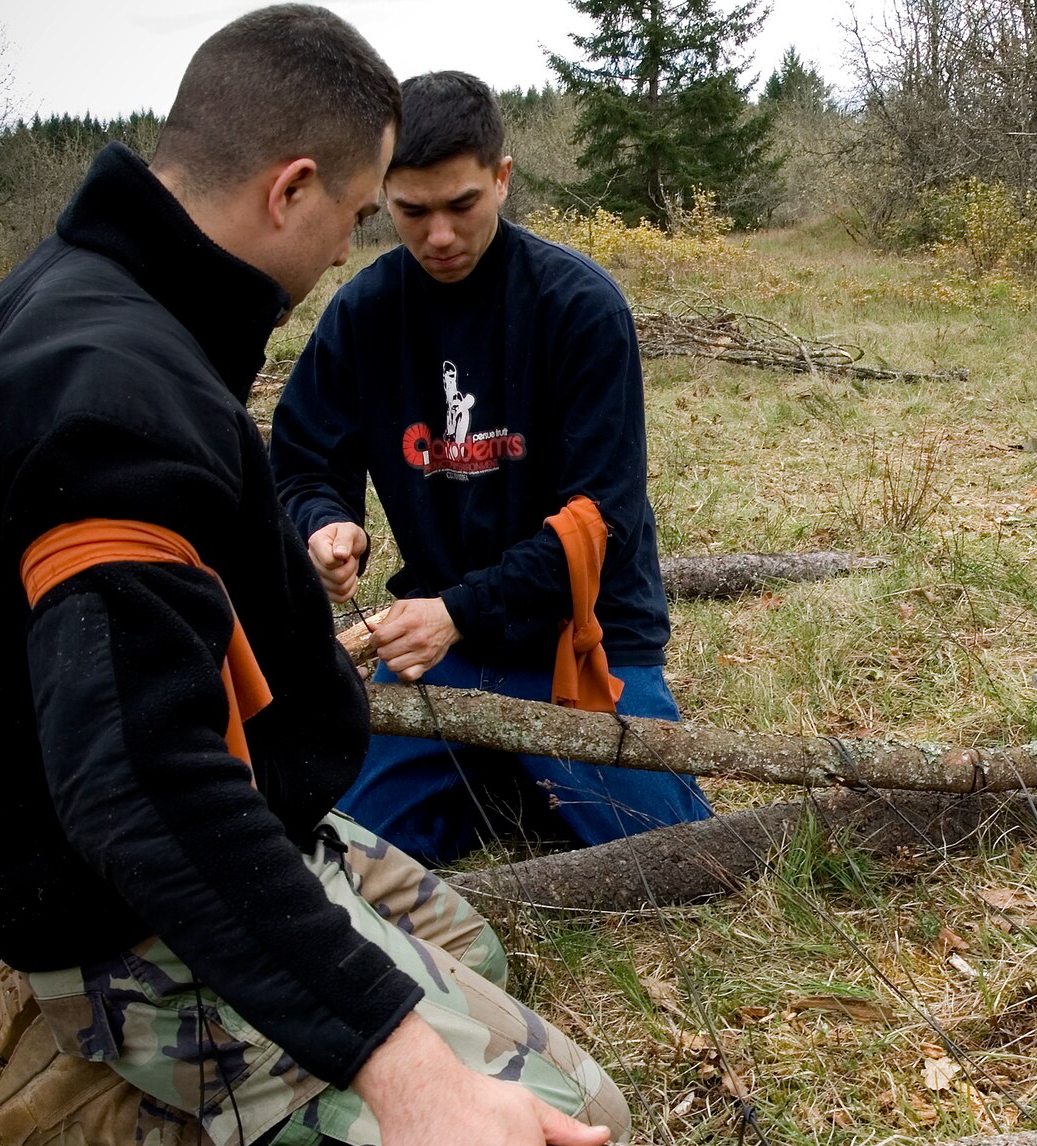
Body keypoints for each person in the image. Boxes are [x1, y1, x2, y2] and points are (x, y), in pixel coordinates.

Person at [0, 7, 624, 1146]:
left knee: (477, 948)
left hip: (264, 821)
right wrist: (403, 1072)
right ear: (293, 188)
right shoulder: (112, 395)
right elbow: (142, 784)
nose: (362, 246)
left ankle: (156, 1029)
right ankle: (76, 1087)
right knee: (574, 1121)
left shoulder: (115, 301)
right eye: (366, 211)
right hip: (124, 905)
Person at [272, 71, 710, 867]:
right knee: (344, 846)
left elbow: (599, 520)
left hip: (582, 635)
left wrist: (460, 610)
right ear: (382, 197)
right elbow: (302, 460)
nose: (439, 235)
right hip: (442, 649)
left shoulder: (578, 307)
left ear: (502, 178)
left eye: (462, 205)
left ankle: (521, 770)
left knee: (673, 855)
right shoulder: (364, 315)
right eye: (412, 212)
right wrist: (324, 523)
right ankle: (501, 777)